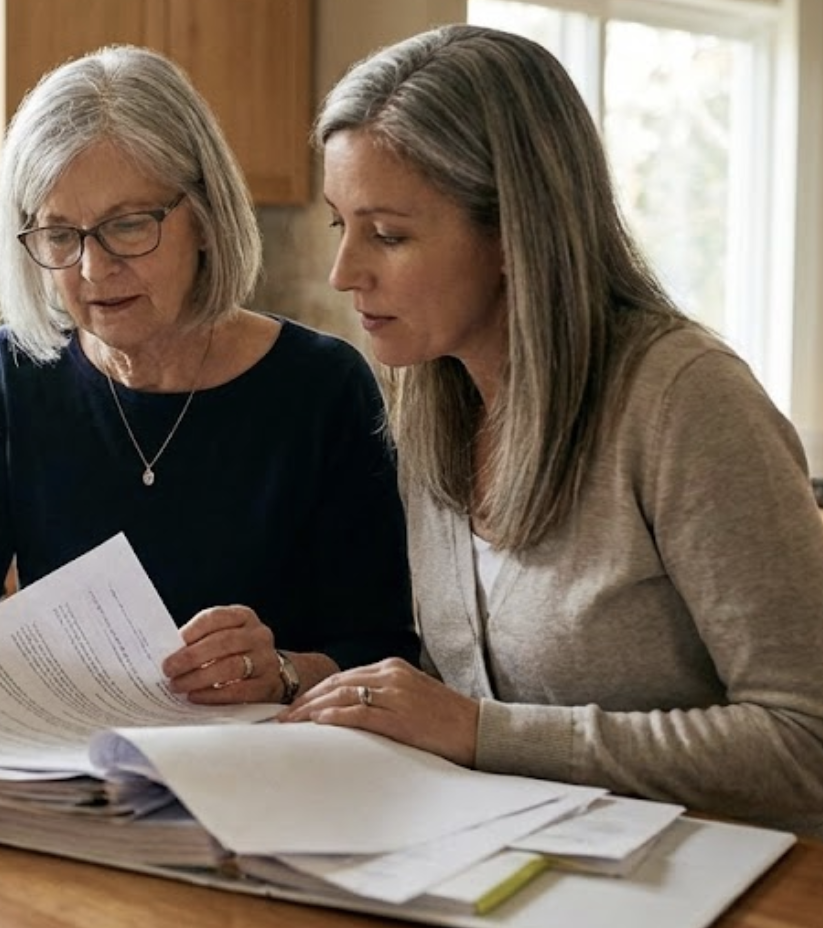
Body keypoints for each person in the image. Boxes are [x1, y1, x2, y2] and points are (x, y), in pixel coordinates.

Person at [287, 24, 823, 835]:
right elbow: (456, 694)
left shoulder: (685, 401)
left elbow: (805, 743)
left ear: (513, 233)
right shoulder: (430, 400)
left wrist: (480, 732)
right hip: (510, 871)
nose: (343, 273)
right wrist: (305, 681)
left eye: (389, 234)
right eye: (342, 225)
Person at [0, 45, 419, 703]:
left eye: (128, 226)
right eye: (60, 235)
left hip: (273, 770)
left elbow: (384, 648)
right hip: (72, 759)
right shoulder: (15, 374)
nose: (91, 269)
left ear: (203, 215)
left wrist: (281, 670)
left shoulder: (322, 387)